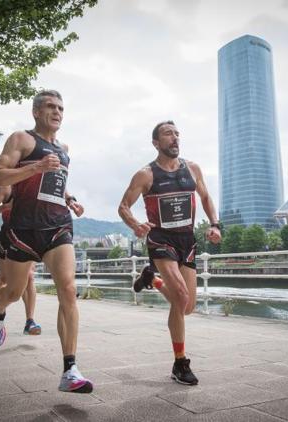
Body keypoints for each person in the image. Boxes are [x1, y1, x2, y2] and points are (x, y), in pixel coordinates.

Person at [0, 89, 91, 393]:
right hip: (23, 229)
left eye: (61, 107)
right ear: (36, 111)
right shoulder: (21, 139)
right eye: (50, 106)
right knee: (14, 291)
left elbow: (56, 182)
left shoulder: (64, 147)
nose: (57, 111)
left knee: (69, 289)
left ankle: (69, 369)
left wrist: (70, 199)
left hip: (58, 226)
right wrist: (34, 167)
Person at [118, 120, 221, 386]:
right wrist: (134, 224)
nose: (175, 138)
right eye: (168, 134)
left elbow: (207, 197)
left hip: (187, 239)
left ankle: (152, 281)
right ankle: (180, 363)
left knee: (186, 307)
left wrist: (215, 224)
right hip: (160, 239)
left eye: (177, 134)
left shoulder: (192, 168)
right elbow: (123, 206)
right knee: (181, 296)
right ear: (156, 143)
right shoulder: (146, 175)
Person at [0, 186, 41, 335]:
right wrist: (5, 206)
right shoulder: (6, 189)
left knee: (29, 276)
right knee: (4, 280)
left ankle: (30, 321)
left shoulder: (35, 187)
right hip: (8, 237)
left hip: (28, 236)